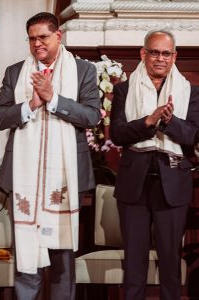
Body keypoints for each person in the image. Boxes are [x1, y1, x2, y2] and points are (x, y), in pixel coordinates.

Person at [0, 12, 101, 300]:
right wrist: (30, 104)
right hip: (24, 176)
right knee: (27, 252)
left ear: (58, 36)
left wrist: (55, 100)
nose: (37, 43)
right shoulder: (16, 72)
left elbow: (91, 116)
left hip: (66, 175)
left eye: (43, 37)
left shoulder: (83, 70)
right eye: (32, 38)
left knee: (63, 252)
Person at [110, 30, 199, 300]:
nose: (160, 58)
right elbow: (117, 134)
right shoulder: (125, 89)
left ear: (174, 57)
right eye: (154, 52)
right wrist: (147, 122)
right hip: (134, 182)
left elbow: (194, 135)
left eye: (166, 53)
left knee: (170, 261)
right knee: (134, 261)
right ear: (143, 54)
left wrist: (169, 122)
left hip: (172, 182)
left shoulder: (190, 92)